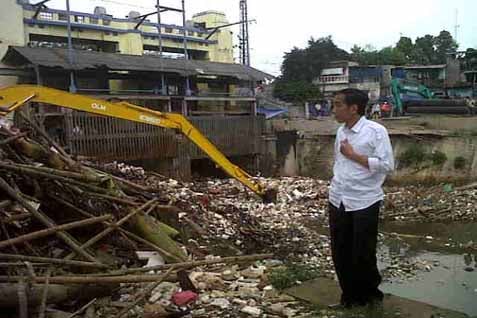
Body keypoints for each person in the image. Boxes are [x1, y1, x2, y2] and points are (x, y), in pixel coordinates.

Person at [329, 88, 394, 308]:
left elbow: (387, 165)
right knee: (340, 250)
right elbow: (339, 162)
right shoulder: (341, 131)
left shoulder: (376, 131)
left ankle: (369, 296)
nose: (334, 109)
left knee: (363, 251)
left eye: (338, 104)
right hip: (338, 198)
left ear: (353, 108)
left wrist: (354, 156)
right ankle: (349, 297)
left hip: (365, 199)